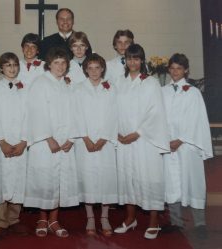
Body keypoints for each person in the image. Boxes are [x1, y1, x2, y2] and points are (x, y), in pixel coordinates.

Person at [114, 44, 170, 239]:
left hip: (145, 140)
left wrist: (137, 133)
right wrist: (118, 132)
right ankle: (130, 219)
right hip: (123, 140)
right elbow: (113, 109)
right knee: (127, 178)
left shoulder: (150, 83)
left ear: (142, 60)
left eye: (136, 58)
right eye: (129, 58)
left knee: (149, 178)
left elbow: (156, 112)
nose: (132, 62)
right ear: (125, 60)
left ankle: (154, 221)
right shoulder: (119, 82)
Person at [24, 47, 79, 238]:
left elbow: (76, 113)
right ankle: (42, 218)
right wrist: (48, 137)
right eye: (56, 62)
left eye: (63, 62)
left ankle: (54, 220)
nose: (60, 66)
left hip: (64, 142)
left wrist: (71, 138)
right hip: (45, 142)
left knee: (59, 181)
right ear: (49, 64)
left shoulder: (68, 85)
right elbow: (36, 112)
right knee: (45, 180)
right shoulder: (40, 83)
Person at [161, 53, 213, 238]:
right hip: (168, 145)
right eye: (172, 68)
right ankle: (176, 222)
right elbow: (159, 118)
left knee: (193, 182)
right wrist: (166, 139)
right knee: (172, 182)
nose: (175, 72)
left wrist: (181, 139)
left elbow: (197, 120)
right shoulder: (163, 91)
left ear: (186, 70)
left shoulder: (193, 93)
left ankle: (200, 223)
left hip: (188, 145)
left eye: (179, 68)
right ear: (168, 70)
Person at [74, 53, 118, 236]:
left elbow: (113, 114)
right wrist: (85, 138)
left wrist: (103, 138)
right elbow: (76, 114)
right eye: (90, 67)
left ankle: (105, 217)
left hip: (104, 141)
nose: (94, 71)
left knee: (105, 178)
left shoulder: (111, 88)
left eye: (97, 67)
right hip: (84, 142)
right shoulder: (77, 89)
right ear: (85, 69)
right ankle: (90, 217)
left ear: (102, 69)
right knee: (88, 179)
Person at [0, 52, 29, 241]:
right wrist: (1, 142)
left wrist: (24, 141)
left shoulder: (26, 89)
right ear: (1, 68)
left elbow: (31, 117)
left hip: (20, 143)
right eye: (7, 65)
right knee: (1, 179)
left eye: (14, 65)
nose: (12, 68)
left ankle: (14, 218)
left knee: (19, 179)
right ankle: (1, 220)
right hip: (0, 144)